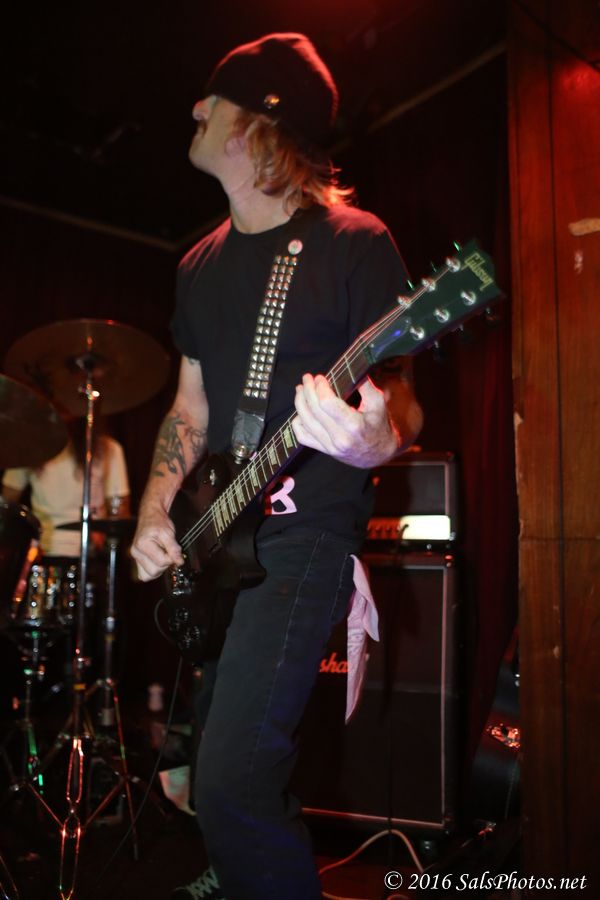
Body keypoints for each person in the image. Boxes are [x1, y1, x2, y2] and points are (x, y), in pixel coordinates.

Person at [131, 33, 423, 900]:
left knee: (233, 782)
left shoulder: (354, 243)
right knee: (202, 777)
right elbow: (190, 411)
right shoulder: (198, 265)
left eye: (213, 98)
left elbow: (405, 401)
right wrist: (154, 512)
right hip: (220, 547)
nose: (194, 108)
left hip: (303, 540)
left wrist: (375, 439)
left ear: (261, 121)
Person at [2, 416, 130, 627]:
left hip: (89, 557)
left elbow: (119, 513)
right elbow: (7, 504)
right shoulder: (30, 447)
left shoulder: (108, 449)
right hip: (41, 557)